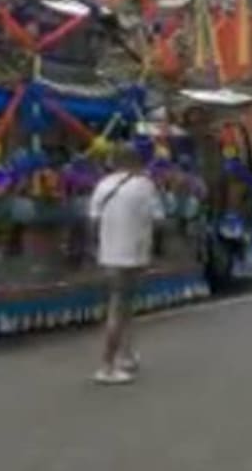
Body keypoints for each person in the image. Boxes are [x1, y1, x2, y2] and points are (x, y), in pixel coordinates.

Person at [89, 143, 164, 385]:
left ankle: (126, 355)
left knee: (124, 306)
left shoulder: (102, 185)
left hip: (109, 253)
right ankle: (106, 365)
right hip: (133, 253)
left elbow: (93, 219)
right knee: (119, 308)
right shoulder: (144, 185)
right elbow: (159, 217)